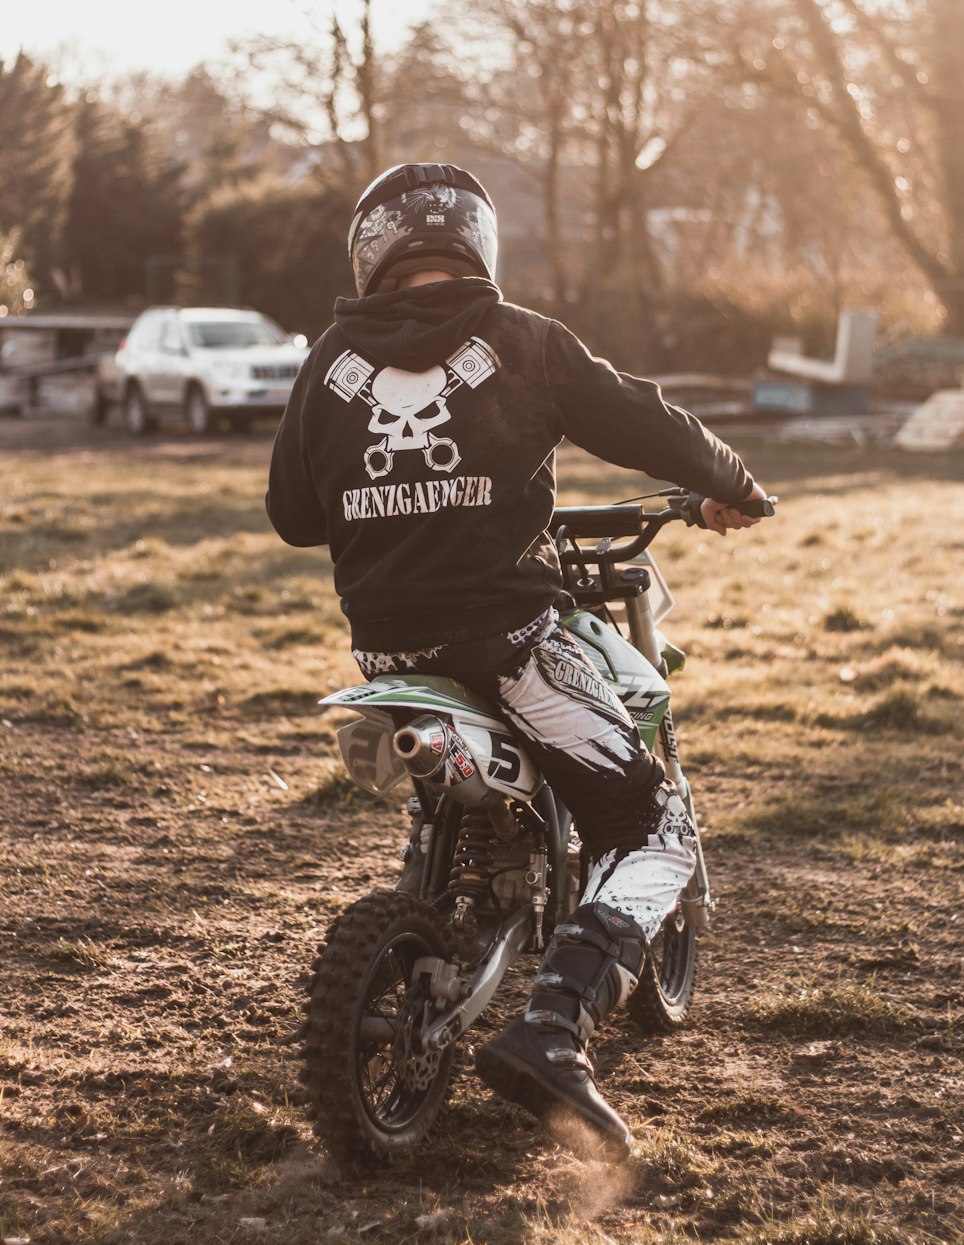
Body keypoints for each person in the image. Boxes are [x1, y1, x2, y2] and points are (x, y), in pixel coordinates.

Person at [266, 162, 767, 1160]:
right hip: (512, 643)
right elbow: (640, 416)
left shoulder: (328, 358)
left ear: (372, 252)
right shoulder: (522, 339)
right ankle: (553, 1026)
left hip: (391, 647)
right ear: (480, 244)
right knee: (651, 826)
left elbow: (291, 515)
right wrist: (731, 481)